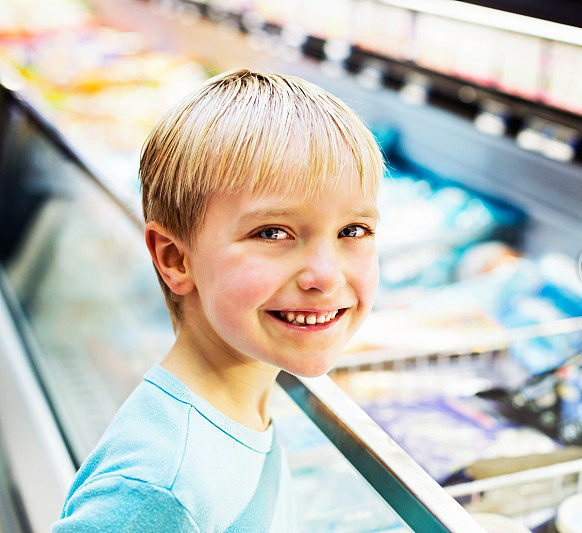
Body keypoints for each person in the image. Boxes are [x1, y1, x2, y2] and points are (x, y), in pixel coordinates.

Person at [52, 68, 385, 532]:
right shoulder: (162, 487)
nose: (325, 277)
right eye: (272, 233)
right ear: (176, 259)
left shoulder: (244, 397)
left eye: (353, 230)